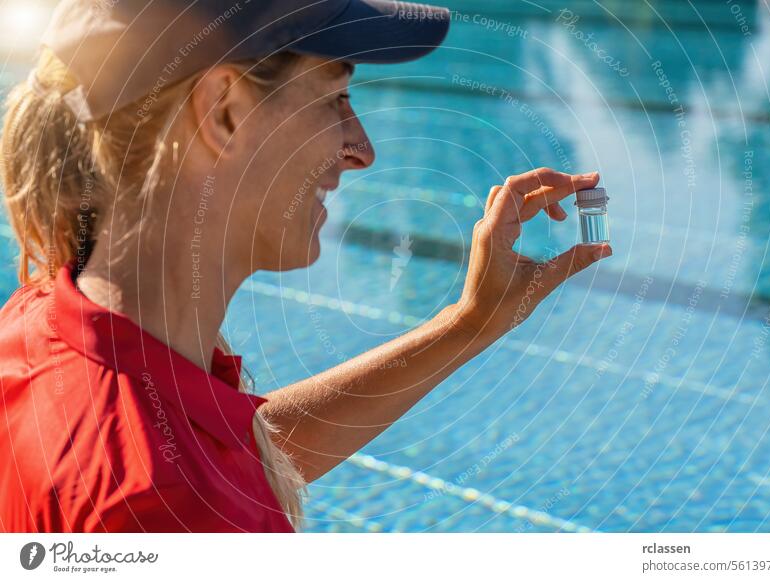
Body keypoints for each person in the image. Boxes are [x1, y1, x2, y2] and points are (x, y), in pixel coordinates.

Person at [0, 0, 612, 532]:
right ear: (225, 112)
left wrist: (470, 321)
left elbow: (232, 454)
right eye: (336, 96)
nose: (362, 149)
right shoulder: (173, 516)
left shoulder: (40, 326)